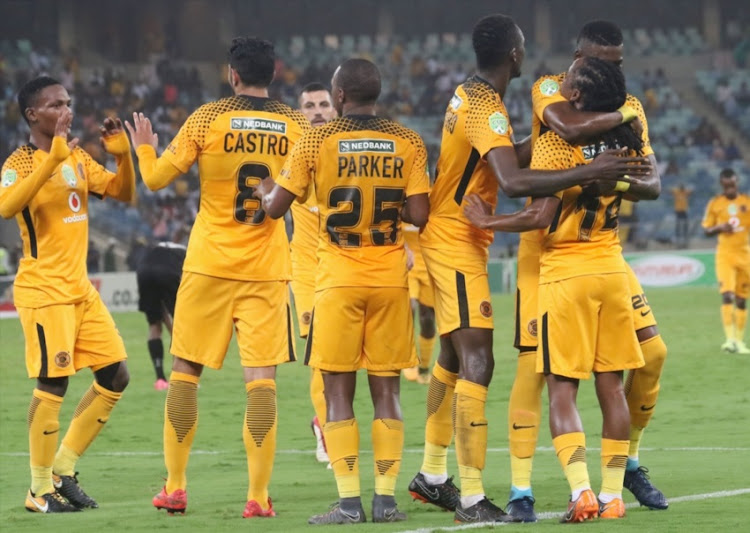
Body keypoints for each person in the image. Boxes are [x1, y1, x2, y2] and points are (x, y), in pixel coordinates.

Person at [406, 14, 649, 524]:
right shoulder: (488, 109)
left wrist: (558, 157)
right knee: (480, 362)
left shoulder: (469, 96)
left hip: (459, 235)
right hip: (455, 238)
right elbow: (515, 183)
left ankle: (431, 474)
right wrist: (591, 168)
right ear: (514, 56)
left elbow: (506, 159)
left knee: (451, 358)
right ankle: (472, 499)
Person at [126, 37, 310, 518]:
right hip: (267, 269)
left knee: (185, 372)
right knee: (261, 382)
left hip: (208, 264)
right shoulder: (296, 124)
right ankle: (258, 497)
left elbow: (156, 180)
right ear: (275, 73)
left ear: (232, 75)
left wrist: (143, 150)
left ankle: (176, 487)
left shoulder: (208, 117)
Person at [465, 55, 654, 521]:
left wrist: (487, 219)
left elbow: (538, 216)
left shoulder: (555, 145)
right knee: (611, 387)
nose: (560, 84)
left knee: (561, 389)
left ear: (576, 96)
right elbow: (647, 185)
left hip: (564, 273)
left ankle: (581, 491)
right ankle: (613, 497)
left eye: (568, 82)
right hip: (611, 268)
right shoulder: (627, 141)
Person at [258, 58, 430, 524]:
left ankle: (350, 502)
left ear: (338, 97)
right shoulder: (408, 140)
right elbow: (420, 215)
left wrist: (264, 187)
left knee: (337, 391)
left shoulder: (316, 138)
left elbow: (275, 210)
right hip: (390, 279)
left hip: (335, 280)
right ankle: (387, 500)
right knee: (387, 390)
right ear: (378, 93)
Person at [0, 76, 135, 513]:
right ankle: (38, 490)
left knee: (115, 374)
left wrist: (123, 157)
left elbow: (123, 193)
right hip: (44, 291)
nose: (67, 110)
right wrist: (50, 159)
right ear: (32, 115)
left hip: (80, 289)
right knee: (53, 382)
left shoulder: (75, 155)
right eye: (56, 104)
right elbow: (5, 206)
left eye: (69, 103)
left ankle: (64, 467)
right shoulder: (17, 163)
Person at [293, 82, 338, 466]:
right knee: (320, 357)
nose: (318, 110)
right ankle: (327, 427)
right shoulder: (291, 153)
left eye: (324, 103)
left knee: (346, 360)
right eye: (309, 105)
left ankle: (325, 419)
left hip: (345, 271)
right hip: (307, 272)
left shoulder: (347, 151)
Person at [702, 168, 750, 354]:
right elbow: (706, 229)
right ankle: (729, 340)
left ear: (737, 182)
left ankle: (739, 342)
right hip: (725, 255)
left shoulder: (746, 202)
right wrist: (719, 227)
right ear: (722, 184)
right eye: (726, 185)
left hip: (745, 255)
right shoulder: (715, 204)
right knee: (727, 295)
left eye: (732, 184)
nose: (730, 188)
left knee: (741, 299)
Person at [135, 241, 186, 390]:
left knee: (154, 325)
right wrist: (175, 332)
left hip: (143, 270)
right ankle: (180, 378)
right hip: (168, 271)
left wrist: (172, 330)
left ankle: (160, 380)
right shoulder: (188, 253)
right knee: (181, 325)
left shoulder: (162, 247)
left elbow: (161, 309)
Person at [402, 221, 437, 386]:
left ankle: (424, 368)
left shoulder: (432, 203)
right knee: (410, 307)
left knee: (428, 320)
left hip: (430, 266)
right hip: (407, 265)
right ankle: (408, 358)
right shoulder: (400, 203)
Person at [671, 183, 693, 247]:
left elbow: (691, 191)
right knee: (678, 224)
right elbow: (670, 190)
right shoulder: (677, 192)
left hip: (684, 210)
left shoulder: (685, 192)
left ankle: (685, 236)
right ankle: (678, 237)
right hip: (678, 210)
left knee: (685, 224)